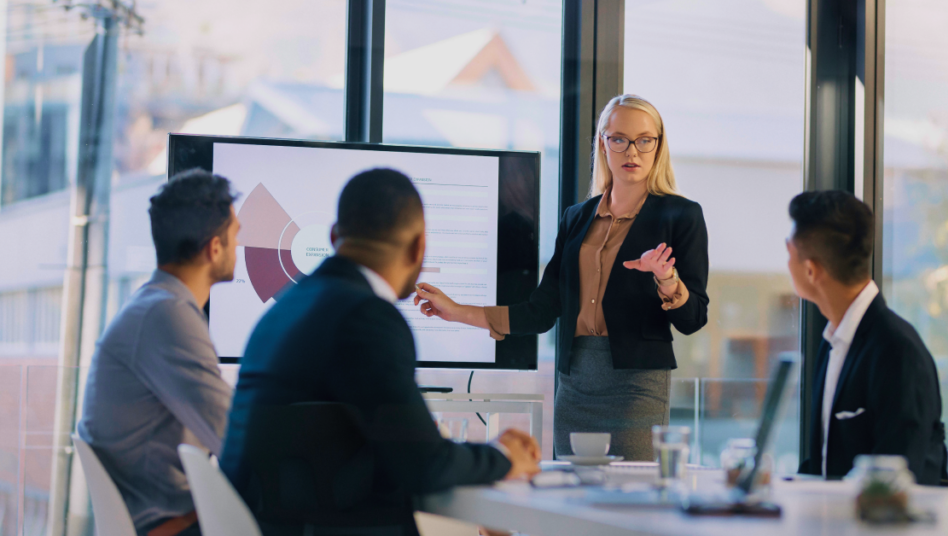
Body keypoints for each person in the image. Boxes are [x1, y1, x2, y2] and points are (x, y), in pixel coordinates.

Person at [219, 168, 541, 535]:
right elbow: (424, 465)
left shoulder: (285, 308)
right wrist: (502, 457)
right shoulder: (368, 317)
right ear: (419, 247)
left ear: (334, 236)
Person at [414, 94, 710, 461]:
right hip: (575, 382)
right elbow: (540, 311)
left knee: (630, 500)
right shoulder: (577, 217)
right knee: (573, 500)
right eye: (619, 138)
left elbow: (694, 318)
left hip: (637, 386)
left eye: (644, 140)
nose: (631, 150)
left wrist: (667, 280)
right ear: (603, 143)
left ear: (658, 145)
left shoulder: (681, 215)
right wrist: (456, 311)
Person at [77, 169, 239, 536]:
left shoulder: (154, 305)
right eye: (236, 236)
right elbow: (233, 433)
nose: (239, 248)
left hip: (163, 512)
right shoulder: (168, 315)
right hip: (172, 523)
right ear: (214, 248)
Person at [788, 191, 948, 485]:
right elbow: (823, 465)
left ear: (811, 270)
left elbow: (898, 479)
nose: (787, 263)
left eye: (789, 253)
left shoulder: (897, 351)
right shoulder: (833, 342)